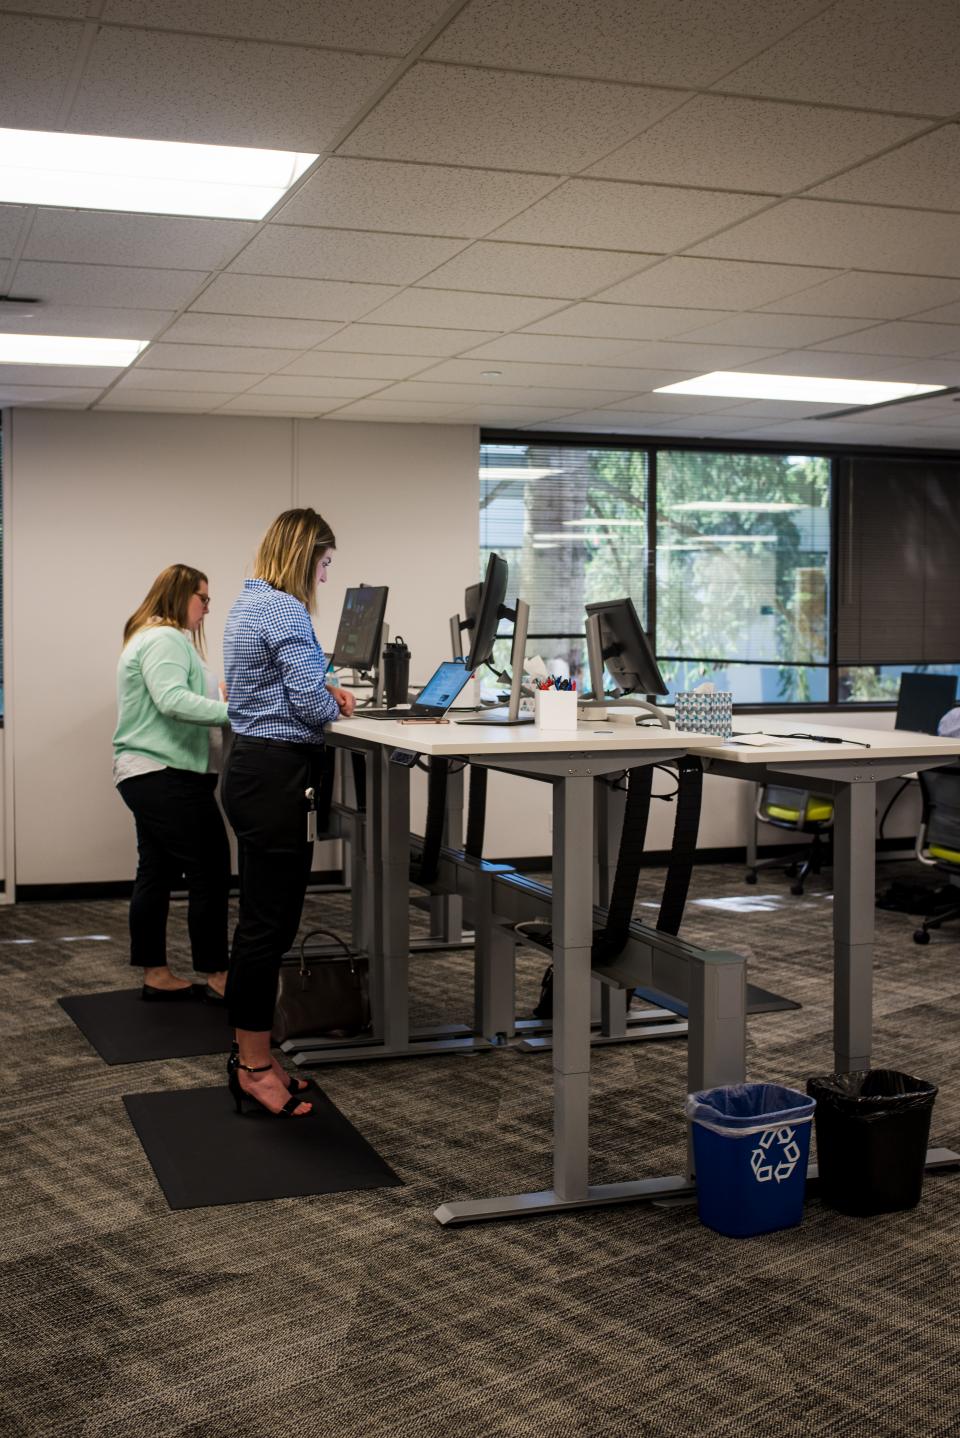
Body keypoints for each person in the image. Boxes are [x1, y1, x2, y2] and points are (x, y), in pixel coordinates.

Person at [222, 508, 355, 1117]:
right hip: (275, 776)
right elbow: (307, 702)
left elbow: (284, 688)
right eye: (324, 564)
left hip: (254, 769)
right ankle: (252, 1066)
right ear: (304, 558)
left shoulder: (250, 602)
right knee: (267, 927)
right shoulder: (284, 608)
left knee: (263, 921)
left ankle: (257, 1056)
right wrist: (330, 697)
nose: (325, 578)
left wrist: (320, 689)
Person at [114, 565, 231, 1001]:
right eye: (203, 599)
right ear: (181, 595)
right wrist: (235, 713)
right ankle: (218, 974)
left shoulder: (157, 637)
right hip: (163, 774)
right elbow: (172, 700)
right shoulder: (163, 637)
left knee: (157, 870)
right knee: (210, 867)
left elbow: (181, 694)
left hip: (151, 773)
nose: (206, 609)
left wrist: (219, 698)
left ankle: (156, 972)